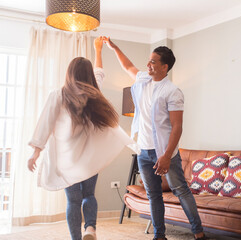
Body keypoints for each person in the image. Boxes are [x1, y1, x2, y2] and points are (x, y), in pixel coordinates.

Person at [27, 37, 137, 240]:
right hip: (89, 158)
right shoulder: (95, 93)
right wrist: (98, 50)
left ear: (69, 73)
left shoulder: (58, 94)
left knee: (73, 201)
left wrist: (35, 152)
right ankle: (91, 229)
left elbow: (45, 124)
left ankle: (76, 238)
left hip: (67, 159)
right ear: (88, 75)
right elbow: (99, 72)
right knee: (89, 195)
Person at [103, 37, 206, 240]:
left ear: (164, 67)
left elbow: (177, 126)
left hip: (165, 152)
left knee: (181, 191)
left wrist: (167, 156)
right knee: (153, 195)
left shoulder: (172, 91)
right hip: (143, 151)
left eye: (153, 62)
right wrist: (114, 48)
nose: (148, 65)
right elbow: (127, 66)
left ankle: (199, 233)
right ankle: (159, 236)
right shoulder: (142, 80)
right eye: (148, 61)